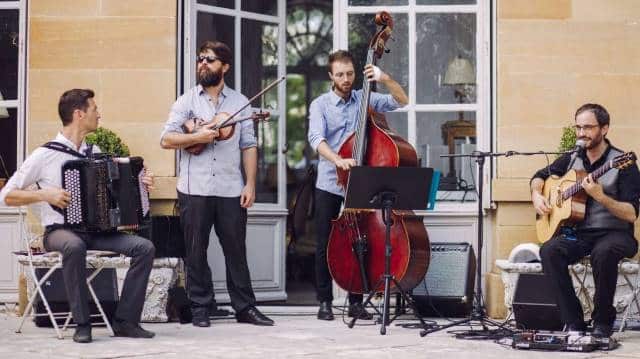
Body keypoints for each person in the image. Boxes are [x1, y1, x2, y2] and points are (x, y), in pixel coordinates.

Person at [0, 89, 156, 343]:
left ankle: (125, 321)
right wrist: (44, 195)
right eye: (95, 109)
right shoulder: (44, 154)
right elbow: (6, 195)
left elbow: (118, 188)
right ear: (79, 114)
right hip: (59, 233)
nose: (99, 114)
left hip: (96, 233)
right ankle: (82, 324)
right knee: (74, 246)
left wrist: (140, 182)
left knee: (144, 247)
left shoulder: (95, 153)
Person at [160, 40, 273, 327]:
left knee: (236, 250)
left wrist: (250, 185)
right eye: (201, 59)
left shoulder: (240, 102)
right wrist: (196, 137)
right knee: (195, 250)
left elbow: (248, 145)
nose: (203, 64)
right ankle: (200, 307)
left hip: (229, 188)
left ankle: (245, 307)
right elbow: (166, 139)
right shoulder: (186, 101)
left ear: (225, 67)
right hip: (194, 188)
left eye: (209, 60)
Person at [307, 50, 409, 321]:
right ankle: (325, 302)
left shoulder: (366, 99)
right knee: (324, 244)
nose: (346, 79)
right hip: (330, 182)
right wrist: (338, 160)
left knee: (359, 242)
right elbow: (316, 139)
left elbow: (402, 100)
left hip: (360, 184)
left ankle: (355, 302)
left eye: (350, 73)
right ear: (331, 76)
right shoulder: (320, 105)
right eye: (340, 74)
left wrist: (384, 78)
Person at [531, 103, 640, 337]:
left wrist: (601, 197)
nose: (582, 133)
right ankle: (573, 322)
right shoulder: (571, 158)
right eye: (578, 127)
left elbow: (631, 213)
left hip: (616, 233)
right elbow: (539, 176)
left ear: (605, 128)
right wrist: (537, 195)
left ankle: (602, 321)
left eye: (588, 127)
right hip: (580, 234)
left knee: (604, 252)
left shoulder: (624, 163)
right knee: (550, 251)